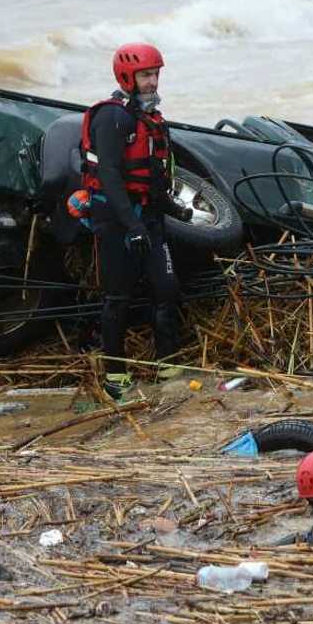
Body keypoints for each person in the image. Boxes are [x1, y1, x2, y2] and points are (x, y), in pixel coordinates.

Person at [80, 43, 193, 398]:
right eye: (146, 75)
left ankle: (167, 364)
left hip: (150, 217)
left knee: (165, 289)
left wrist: (177, 210)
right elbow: (111, 177)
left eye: (156, 74)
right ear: (127, 77)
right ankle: (116, 375)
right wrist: (132, 226)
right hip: (117, 220)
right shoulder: (111, 118)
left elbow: (156, 178)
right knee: (118, 297)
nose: (153, 81)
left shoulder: (153, 120)